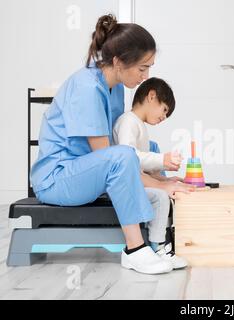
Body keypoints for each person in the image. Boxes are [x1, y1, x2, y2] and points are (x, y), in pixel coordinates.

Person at [30, 14, 184, 275]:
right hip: (56, 179)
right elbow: (111, 157)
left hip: (84, 173)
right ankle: (135, 249)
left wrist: (159, 180)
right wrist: (160, 184)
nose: (145, 76)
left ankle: (158, 245)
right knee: (123, 156)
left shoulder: (116, 87)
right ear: (118, 62)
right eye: (142, 68)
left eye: (149, 68)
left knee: (149, 148)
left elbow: (115, 149)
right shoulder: (87, 87)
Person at [113, 77, 195, 269]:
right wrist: (162, 160)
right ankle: (158, 247)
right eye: (164, 110)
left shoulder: (138, 124)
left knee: (163, 193)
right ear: (152, 96)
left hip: (134, 181)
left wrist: (163, 176)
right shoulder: (128, 121)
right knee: (160, 197)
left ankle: (161, 247)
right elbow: (128, 157)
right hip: (124, 187)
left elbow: (140, 167)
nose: (164, 117)